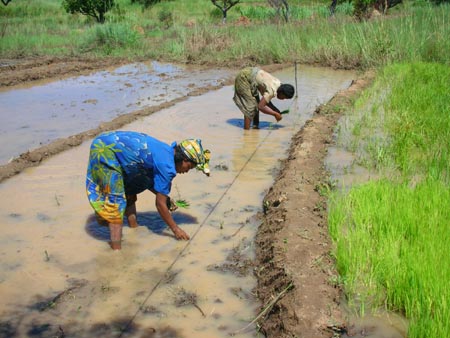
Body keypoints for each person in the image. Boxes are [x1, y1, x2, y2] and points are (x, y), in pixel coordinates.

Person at [85, 131, 211, 250]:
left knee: (131, 185)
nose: (186, 171)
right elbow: (159, 204)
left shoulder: (167, 152)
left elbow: (150, 182)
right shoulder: (167, 167)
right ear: (184, 160)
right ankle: (117, 252)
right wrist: (176, 229)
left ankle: (134, 228)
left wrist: (165, 197)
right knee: (115, 203)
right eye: (189, 167)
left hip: (110, 142)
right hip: (106, 150)